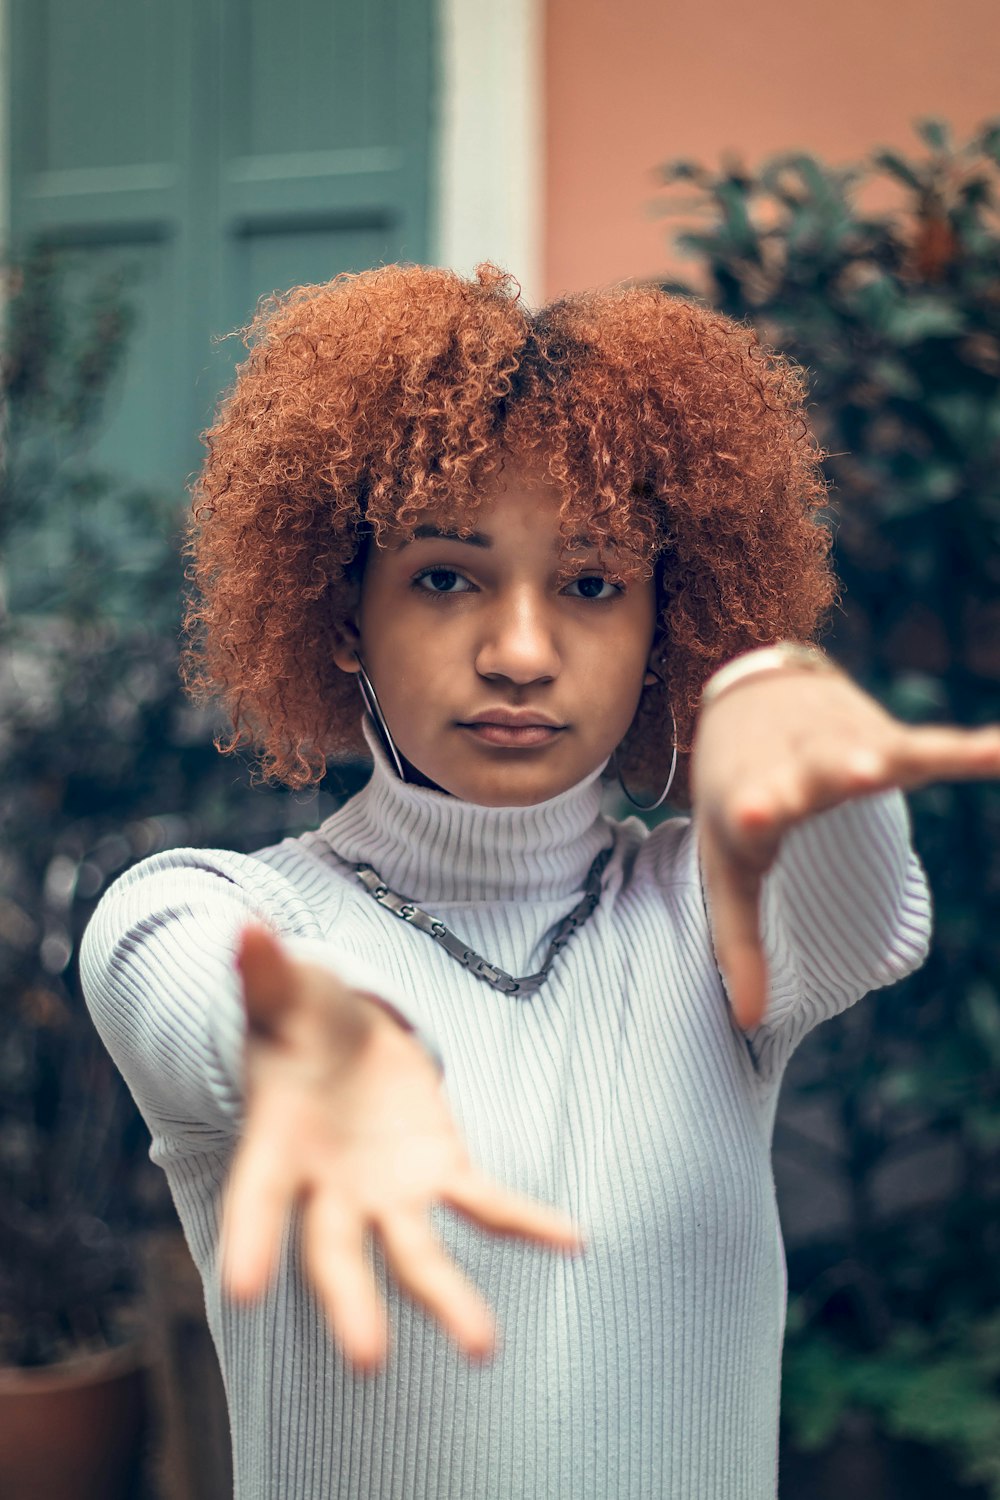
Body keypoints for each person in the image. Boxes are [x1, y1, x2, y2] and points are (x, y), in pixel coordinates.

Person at [81, 262, 1000, 1500]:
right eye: (446, 575)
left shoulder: (702, 918)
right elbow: (172, 976)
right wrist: (301, 1043)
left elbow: (864, 914)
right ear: (345, 611)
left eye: (591, 583)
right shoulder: (228, 915)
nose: (520, 652)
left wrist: (794, 722)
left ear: (663, 623)